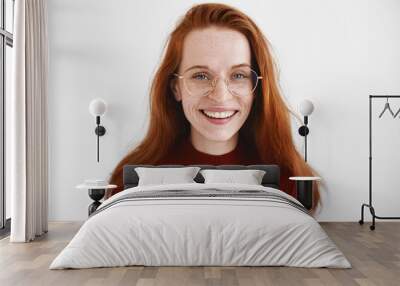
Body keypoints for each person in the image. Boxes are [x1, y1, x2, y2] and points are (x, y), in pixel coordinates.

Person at [106, 3, 320, 209]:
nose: (220, 96)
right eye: (200, 76)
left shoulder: (290, 179)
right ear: (175, 88)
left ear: (257, 89)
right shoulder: (127, 183)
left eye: (238, 75)